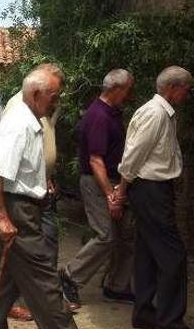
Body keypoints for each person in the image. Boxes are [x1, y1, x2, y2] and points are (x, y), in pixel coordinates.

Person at [0, 64, 77, 329]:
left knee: (7, 277)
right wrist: (2, 218)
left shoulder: (31, 120)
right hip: (16, 211)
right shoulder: (18, 124)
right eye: (53, 97)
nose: (56, 103)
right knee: (44, 280)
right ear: (36, 94)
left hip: (24, 207)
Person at [114, 66, 193, 329]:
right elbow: (134, 155)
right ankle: (170, 321)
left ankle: (145, 315)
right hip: (150, 190)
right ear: (173, 88)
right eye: (186, 90)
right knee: (173, 255)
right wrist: (122, 190)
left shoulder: (162, 113)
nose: (187, 95)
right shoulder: (156, 113)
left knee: (147, 255)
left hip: (152, 189)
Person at [60, 69, 136, 310]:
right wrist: (110, 195)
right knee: (105, 235)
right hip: (98, 182)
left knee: (128, 235)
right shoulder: (98, 116)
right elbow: (95, 160)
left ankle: (116, 285)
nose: (130, 94)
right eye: (128, 89)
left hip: (114, 180)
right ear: (117, 89)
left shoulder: (112, 113)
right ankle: (70, 277)